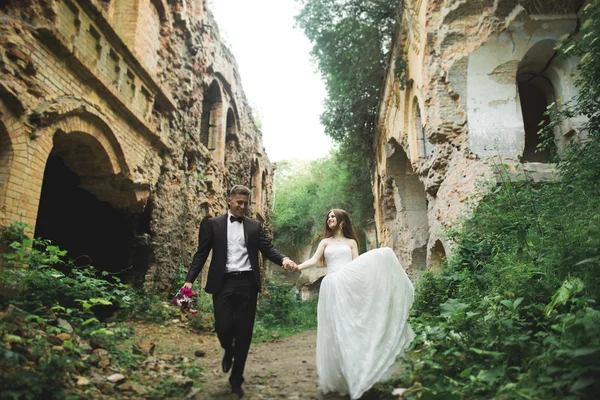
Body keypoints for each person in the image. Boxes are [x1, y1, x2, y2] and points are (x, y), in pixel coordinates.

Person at [183, 185, 298, 398]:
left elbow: (268, 248)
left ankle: (237, 380)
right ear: (229, 200)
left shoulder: (254, 226)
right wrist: (189, 280)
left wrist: (283, 259)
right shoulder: (213, 224)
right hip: (223, 283)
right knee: (223, 326)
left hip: (247, 283)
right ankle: (228, 349)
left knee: (244, 333)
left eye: (245, 203)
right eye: (239, 203)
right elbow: (201, 254)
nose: (242, 207)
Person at [297, 209, 415, 399]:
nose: (329, 219)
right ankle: (342, 376)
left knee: (350, 325)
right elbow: (313, 260)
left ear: (342, 220)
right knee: (334, 329)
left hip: (347, 284)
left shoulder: (352, 242)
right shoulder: (325, 242)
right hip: (331, 285)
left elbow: (356, 264)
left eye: (333, 216)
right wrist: (297, 266)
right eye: (327, 217)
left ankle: (357, 372)